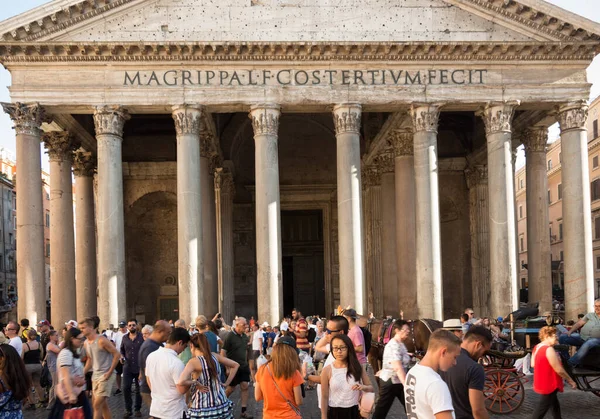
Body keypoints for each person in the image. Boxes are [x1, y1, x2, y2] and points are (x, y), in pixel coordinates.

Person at [404, 329, 462, 419]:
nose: (455, 363)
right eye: (454, 357)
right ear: (443, 352)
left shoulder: (412, 373)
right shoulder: (436, 384)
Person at [178, 333, 239, 418]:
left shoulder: (193, 362)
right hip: (220, 402)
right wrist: (226, 383)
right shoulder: (214, 356)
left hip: (202, 405)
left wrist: (196, 383)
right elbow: (235, 365)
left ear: (191, 346)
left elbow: (181, 381)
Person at [440, 326, 493, 419]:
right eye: (484, 352)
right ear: (478, 345)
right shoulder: (475, 368)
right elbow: (478, 410)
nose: (482, 355)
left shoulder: (442, 358)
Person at [320, 334, 374, 419]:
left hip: (354, 411)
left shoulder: (357, 366)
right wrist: (323, 416)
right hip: (334, 412)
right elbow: (324, 396)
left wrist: (363, 387)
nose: (339, 351)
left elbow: (371, 388)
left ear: (349, 348)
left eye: (342, 347)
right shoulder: (327, 370)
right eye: (335, 348)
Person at [145, 327, 191, 419]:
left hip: (157, 409)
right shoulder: (177, 363)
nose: (183, 350)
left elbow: (148, 379)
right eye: (185, 346)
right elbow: (181, 390)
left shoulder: (151, 356)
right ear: (180, 343)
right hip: (174, 412)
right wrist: (191, 380)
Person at [531, 326, 576, 419]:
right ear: (547, 337)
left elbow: (533, 364)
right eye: (555, 336)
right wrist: (571, 381)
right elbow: (559, 369)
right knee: (541, 409)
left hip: (542, 380)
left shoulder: (537, 347)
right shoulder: (549, 349)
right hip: (550, 382)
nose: (557, 338)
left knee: (554, 405)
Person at [81, 317, 121, 419]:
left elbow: (117, 354)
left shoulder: (102, 340)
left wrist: (109, 372)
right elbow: (90, 359)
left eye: (83, 328)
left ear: (91, 327)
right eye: (80, 328)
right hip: (95, 375)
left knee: (96, 404)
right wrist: (82, 373)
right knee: (102, 405)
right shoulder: (86, 343)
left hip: (106, 375)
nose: (81, 330)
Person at [255, 336, 304, 419]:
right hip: (290, 415)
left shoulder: (262, 369)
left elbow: (257, 397)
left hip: (269, 416)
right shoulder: (294, 372)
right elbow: (298, 401)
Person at [48, 328, 92, 419]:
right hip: (69, 394)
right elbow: (65, 374)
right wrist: (71, 393)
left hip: (78, 391)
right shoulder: (66, 353)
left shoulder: (75, 353)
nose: (81, 341)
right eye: (79, 339)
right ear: (72, 339)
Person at [372, 319, 411, 419]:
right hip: (390, 382)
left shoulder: (401, 344)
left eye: (408, 330)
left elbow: (401, 359)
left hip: (397, 382)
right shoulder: (393, 345)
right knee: (381, 411)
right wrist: (406, 385)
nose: (408, 332)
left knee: (410, 407)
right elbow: (397, 367)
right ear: (397, 330)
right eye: (405, 330)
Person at [221, 316, 253, 419]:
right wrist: (227, 367)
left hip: (243, 366)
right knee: (231, 388)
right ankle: (220, 405)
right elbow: (223, 352)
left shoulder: (244, 336)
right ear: (237, 325)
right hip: (233, 367)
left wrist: (247, 363)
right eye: (244, 325)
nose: (246, 326)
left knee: (245, 386)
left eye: (246, 324)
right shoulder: (230, 336)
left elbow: (245, 351)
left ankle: (244, 411)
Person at [138, 320, 171, 410]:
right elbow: (149, 373)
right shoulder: (150, 347)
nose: (169, 335)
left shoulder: (156, 344)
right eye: (168, 333)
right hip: (151, 390)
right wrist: (157, 393)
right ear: (160, 331)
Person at [559, 298, 600, 366]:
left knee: (590, 342)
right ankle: (566, 359)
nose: (597, 308)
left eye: (599, 306)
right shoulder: (589, 315)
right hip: (582, 337)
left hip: (597, 340)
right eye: (596, 306)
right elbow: (579, 324)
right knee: (563, 337)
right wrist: (570, 332)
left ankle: (571, 363)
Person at [120, 319, 144, 418]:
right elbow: (122, 350)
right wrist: (121, 356)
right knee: (126, 388)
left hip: (139, 367)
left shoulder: (141, 337)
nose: (131, 327)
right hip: (127, 367)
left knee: (139, 389)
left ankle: (137, 409)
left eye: (133, 325)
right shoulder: (124, 338)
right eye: (129, 325)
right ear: (127, 327)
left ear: (136, 325)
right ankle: (128, 409)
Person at [0, 343, 31, 418]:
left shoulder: (3, 378)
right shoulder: (21, 375)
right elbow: (24, 400)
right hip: (17, 415)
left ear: (2, 358)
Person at [21, 329, 43, 409]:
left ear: (27, 336)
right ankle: (42, 400)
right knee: (37, 384)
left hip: (28, 366)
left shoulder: (24, 345)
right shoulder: (39, 344)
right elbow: (41, 355)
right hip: (37, 365)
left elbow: (21, 357)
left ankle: (32, 403)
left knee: (29, 385)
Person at [45, 331, 61, 410]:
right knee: (55, 384)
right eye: (56, 335)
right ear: (51, 337)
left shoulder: (54, 344)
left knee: (55, 384)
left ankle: (53, 402)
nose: (57, 336)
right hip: (53, 366)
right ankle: (52, 403)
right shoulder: (50, 345)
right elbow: (59, 351)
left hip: (56, 366)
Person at [113, 321, 127, 395]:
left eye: (123, 326)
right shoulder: (116, 334)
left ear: (126, 326)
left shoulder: (128, 333)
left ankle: (127, 388)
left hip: (127, 356)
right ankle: (119, 388)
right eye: (121, 327)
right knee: (118, 373)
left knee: (127, 373)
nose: (122, 328)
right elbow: (113, 343)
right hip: (119, 356)